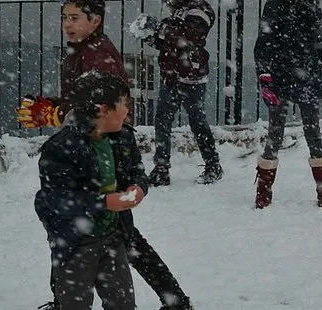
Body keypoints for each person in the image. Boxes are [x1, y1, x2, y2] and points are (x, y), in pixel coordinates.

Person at [17, 1, 193, 309]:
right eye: (64, 17)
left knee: (90, 234)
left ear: (95, 20)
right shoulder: (81, 49)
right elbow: (84, 103)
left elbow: (97, 108)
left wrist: (55, 113)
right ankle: (175, 300)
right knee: (99, 232)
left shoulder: (98, 55)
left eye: (74, 17)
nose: (67, 24)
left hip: (104, 145)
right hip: (95, 144)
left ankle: (173, 300)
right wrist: (54, 107)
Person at [35, 71, 140, 309]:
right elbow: (56, 198)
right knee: (75, 304)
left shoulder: (122, 137)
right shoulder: (62, 148)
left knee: (123, 303)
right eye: (124, 104)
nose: (127, 110)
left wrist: (138, 187)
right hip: (76, 243)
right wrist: (104, 202)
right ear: (103, 110)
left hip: (113, 237)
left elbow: (137, 170)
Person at [253, 0, 322, 211]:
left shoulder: (308, 7)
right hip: (282, 79)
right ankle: (264, 192)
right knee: (277, 136)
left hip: (305, 79)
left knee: (312, 137)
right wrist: (266, 80)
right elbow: (263, 47)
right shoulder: (276, 5)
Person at [132, 0, 223, 186]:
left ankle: (213, 165)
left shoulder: (200, 10)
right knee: (162, 121)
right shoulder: (177, 12)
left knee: (197, 122)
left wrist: (158, 28)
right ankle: (161, 169)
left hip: (192, 79)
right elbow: (168, 44)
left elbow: (190, 38)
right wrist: (148, 36)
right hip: (171, 77)